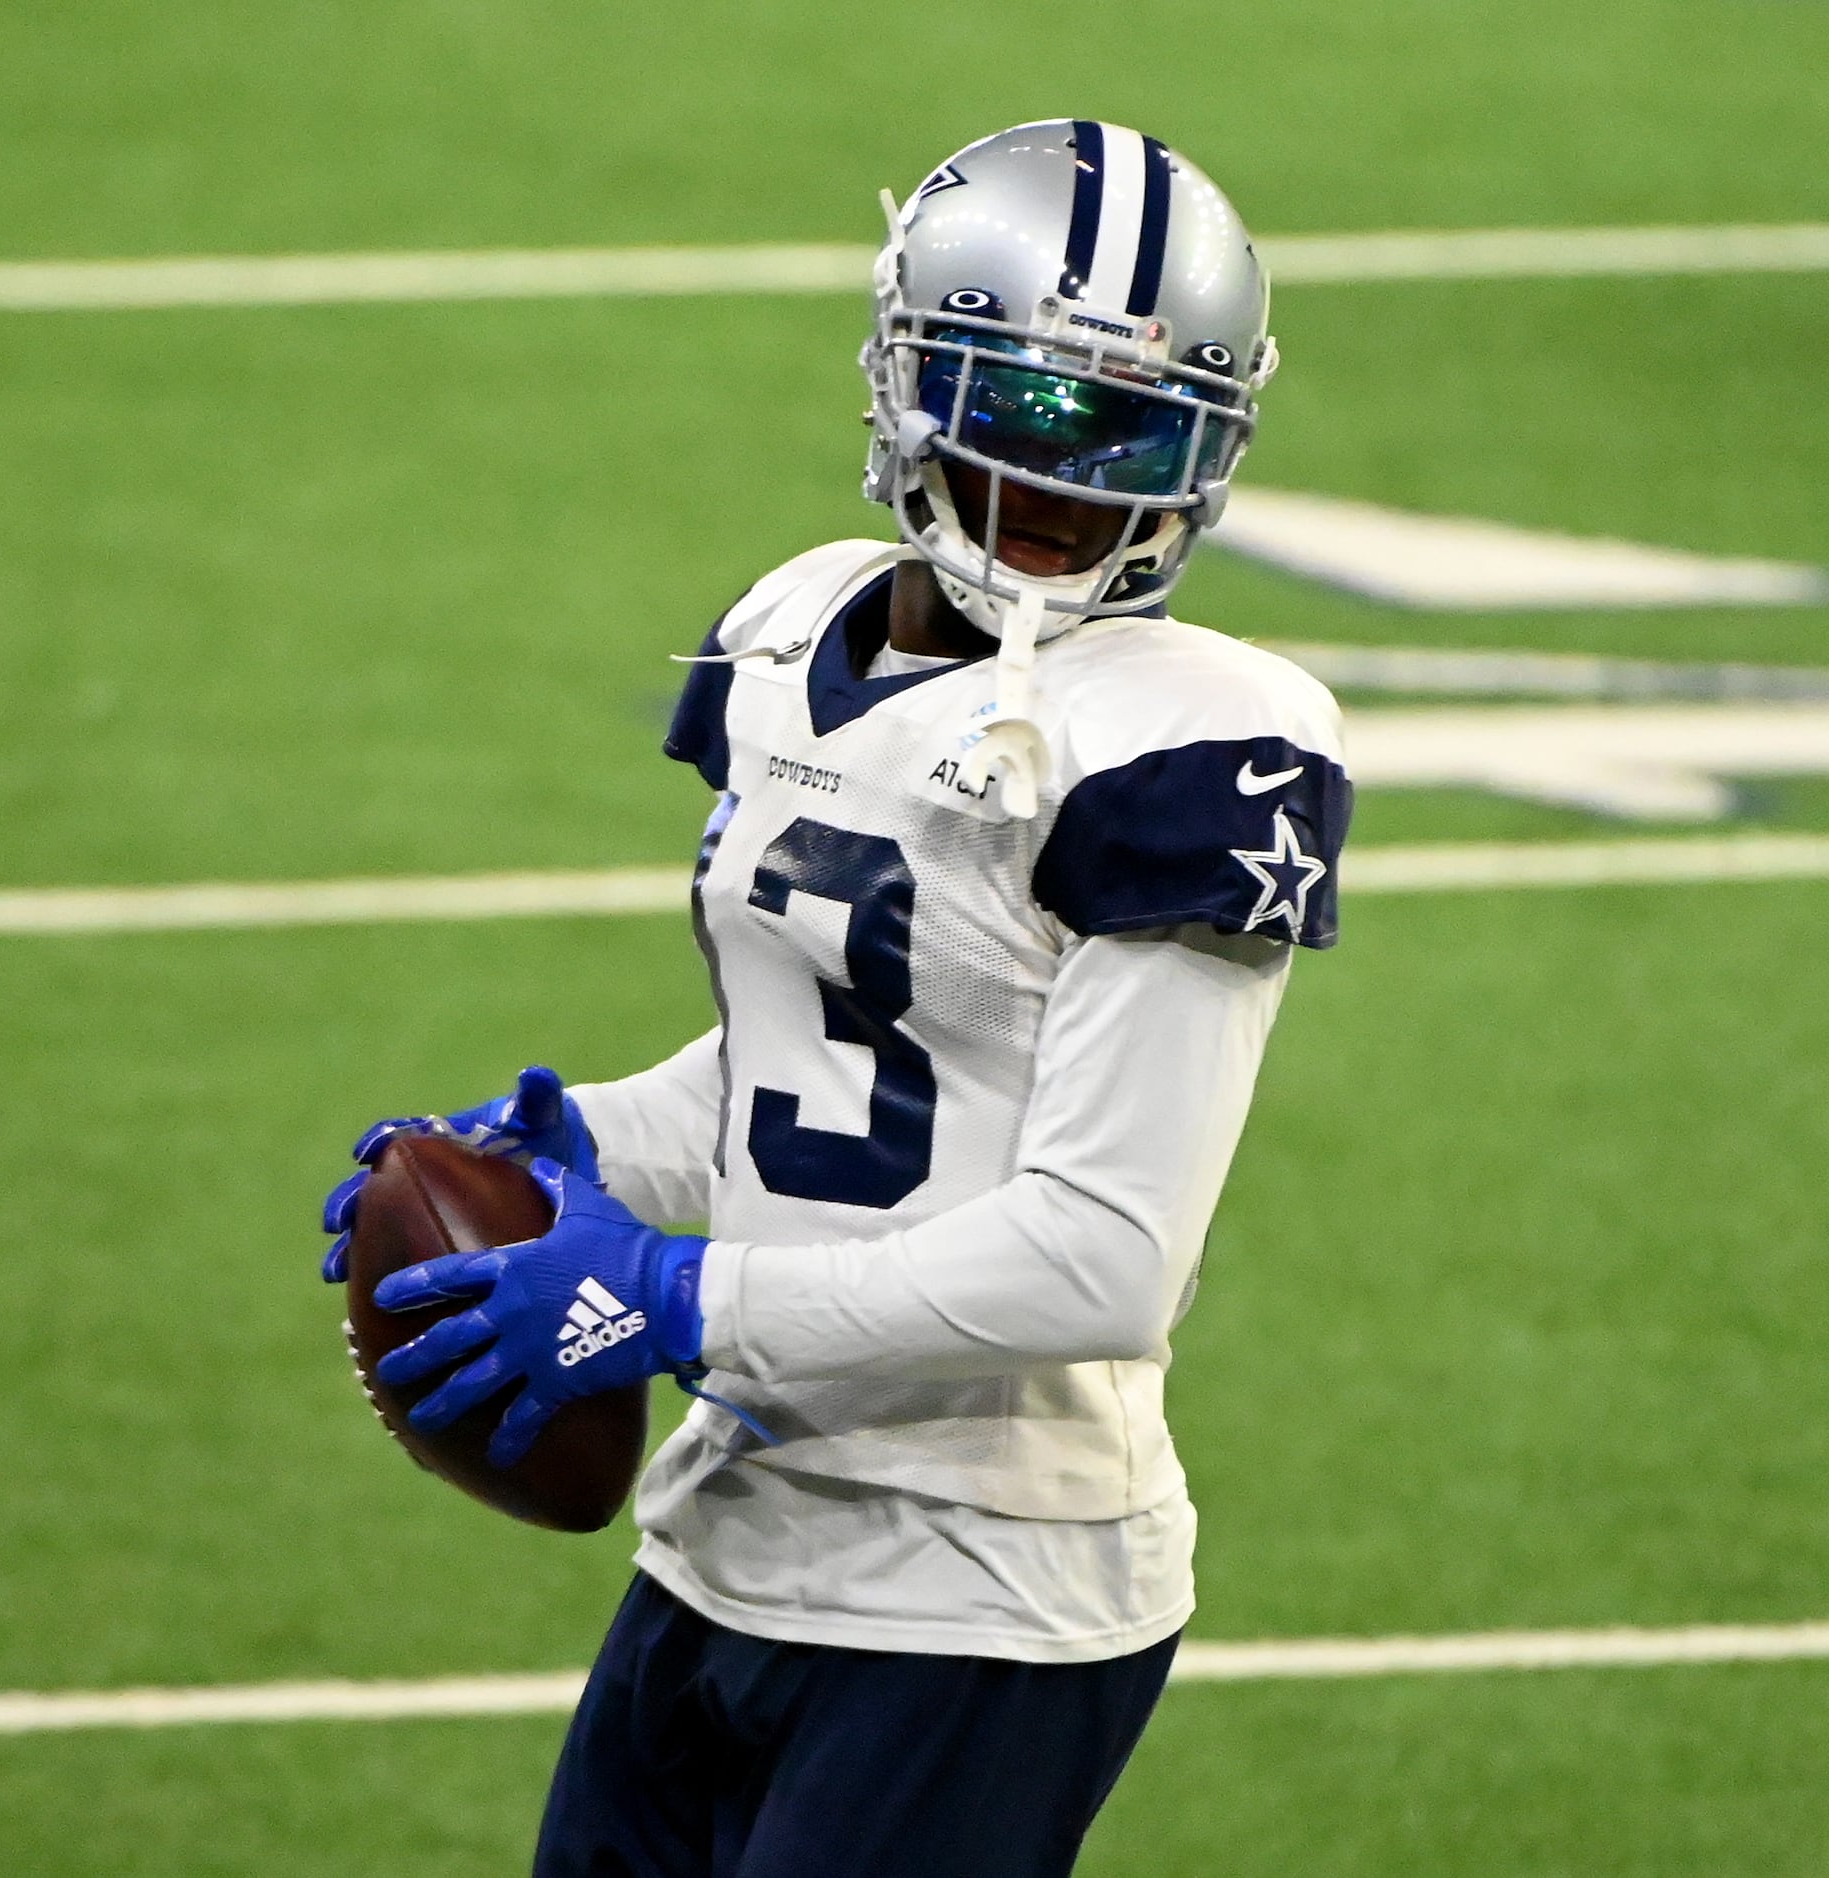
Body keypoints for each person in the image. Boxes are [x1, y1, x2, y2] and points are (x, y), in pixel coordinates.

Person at [319, 120, 1352, 1878]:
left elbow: (1103, 1255)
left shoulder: (1189, 735)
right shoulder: (795, 634)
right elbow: (836, 1062)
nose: (1073, 485)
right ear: (904, 382)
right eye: (1021, 414)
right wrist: (586, 1159)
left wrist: (668, 1293)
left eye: (1134, 436)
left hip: (986, 1585)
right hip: (735, 1528)